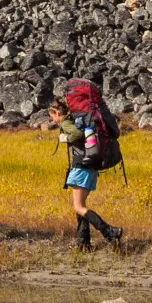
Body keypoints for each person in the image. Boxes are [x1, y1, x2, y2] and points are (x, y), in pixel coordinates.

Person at [51, 78, 126, 249]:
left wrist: (64, 137)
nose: (53, 120)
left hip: (81, 166)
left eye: (52, 116)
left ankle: (109, 231)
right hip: (91, 165)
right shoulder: (83, 120)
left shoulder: (68, 122)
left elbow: (76, 135)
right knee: (81, 206)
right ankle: (83, 243)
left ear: (57, 113)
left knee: (78, 207)